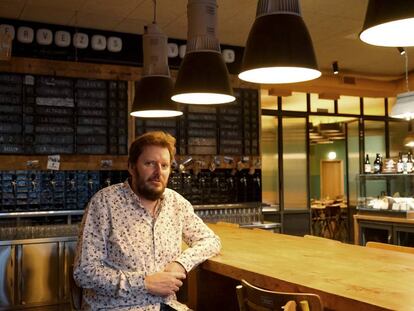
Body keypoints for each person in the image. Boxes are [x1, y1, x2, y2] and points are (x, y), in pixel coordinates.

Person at [74, 131, 221, 311]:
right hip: (116, 307)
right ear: (131, 167)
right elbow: (85, 272)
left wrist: (181, 264)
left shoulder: (176, 203)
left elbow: (211, 241)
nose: (158, 172)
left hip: (167, 305)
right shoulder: (104, 203)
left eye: (165, 165)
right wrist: (144, 283)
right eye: (150, 163)